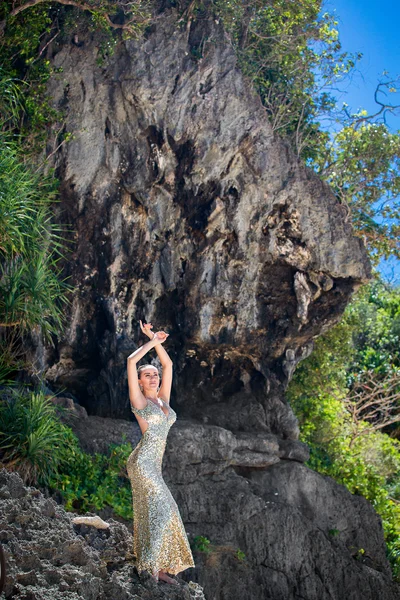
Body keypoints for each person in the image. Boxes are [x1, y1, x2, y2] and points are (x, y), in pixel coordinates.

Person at [126, 321, 195, 584]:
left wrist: (156, 339)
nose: (154, 377)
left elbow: (169, 366)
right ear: (141, 382)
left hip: (155, 465)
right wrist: (153, 342)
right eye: (148, 375)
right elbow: (131, 362)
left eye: (155, 374)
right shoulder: (139, 401)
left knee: (155, 511)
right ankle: (153, 567)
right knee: (164, 508)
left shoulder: (163, 401)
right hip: (142, 463)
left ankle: (159, 566)